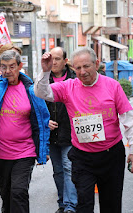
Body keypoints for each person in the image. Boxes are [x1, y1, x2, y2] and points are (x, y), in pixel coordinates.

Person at [35, 46, 133, 213]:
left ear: (96, 64)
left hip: (111, 156)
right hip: (82, 157)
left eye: (86, 66)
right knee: (84, 205)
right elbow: (41, 92)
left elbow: (128, 119)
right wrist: (45, 71)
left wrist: (132, 149)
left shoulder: (113, 86)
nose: (82, 72)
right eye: (78, 67)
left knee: (111, 205)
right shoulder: (68, 87)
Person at [0, 36, 50, 213]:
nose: (7, 71)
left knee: (19, 192)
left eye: (11, 67)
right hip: (0, 154)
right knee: (6, 196)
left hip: (25, 152)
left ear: (19, 67)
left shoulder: (31, 89)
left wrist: (43, 150)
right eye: (3, 67)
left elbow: (42, 119)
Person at [47, 47, 77, 213]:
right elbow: (37, 104)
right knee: (58, 171)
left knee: (68, 167)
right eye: (52, 58)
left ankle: (70, 206)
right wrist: (45, 121)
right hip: (52, 135)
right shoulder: (44, 79)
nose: (54, 62)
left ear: (65, 61)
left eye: (58, 58)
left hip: (70, 133)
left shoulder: (74, 78)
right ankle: (62, 203)